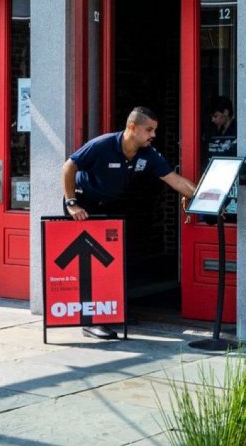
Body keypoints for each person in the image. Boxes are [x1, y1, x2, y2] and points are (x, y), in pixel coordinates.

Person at [62, 106, 197, 340]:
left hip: (109, 205)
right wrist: (72, 203)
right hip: (83, 204)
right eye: (149, 130)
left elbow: (175, 181)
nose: (153, 135)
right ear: (132, 127)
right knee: (90, 264)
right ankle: (90, 321)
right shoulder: (103, 145)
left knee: (113, 259)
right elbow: (69, 166)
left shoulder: (148, 154)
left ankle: (110, 312)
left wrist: (207, 196)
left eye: (154, 130)